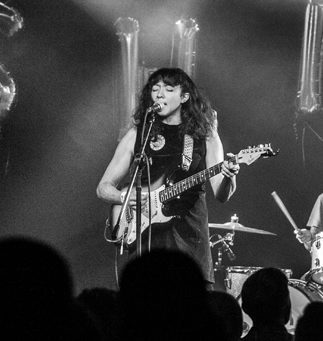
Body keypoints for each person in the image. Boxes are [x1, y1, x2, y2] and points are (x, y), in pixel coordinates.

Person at [97, 68, 239, 283]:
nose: (160, 94)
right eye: (155, 89)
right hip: (146, 240)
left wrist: (229, 175)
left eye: (169, 89)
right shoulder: (137, 135)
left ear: (184, 97)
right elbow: (103, 187)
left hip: (190, 240)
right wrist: (126, 199)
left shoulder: (204, 136)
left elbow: (221, 194)